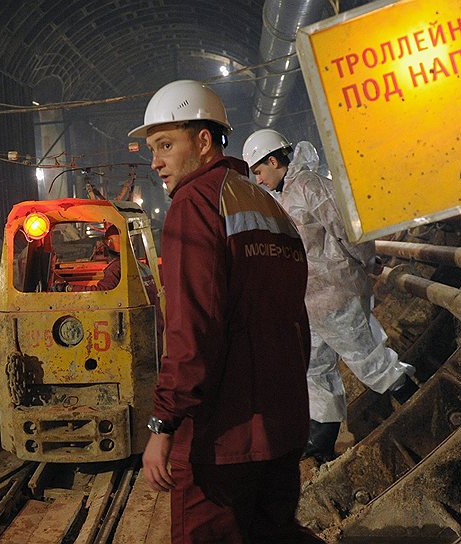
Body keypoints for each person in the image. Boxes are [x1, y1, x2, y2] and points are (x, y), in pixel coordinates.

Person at [132, 80, 321, 543]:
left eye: (165, 144)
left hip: (223, 438)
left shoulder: (194, 204)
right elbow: (296, 322)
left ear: (202, 140)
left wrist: (164, 423)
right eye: (152, 148)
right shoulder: (265, 203)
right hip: (283, 424)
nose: (154, 161)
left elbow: (192, 329)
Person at [242, 129, 419, 464]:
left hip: (337, 296)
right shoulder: (283, 197)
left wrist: (367, 261)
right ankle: (321, 444)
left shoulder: (310, 187)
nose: (259, 177)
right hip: (310, 304)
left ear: (274, 160)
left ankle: (419, 408)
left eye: (259, 169)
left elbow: (347, 230)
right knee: (314, 370)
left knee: (368, 359)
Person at [53, 224, 123, 292]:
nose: (102, 247)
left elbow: (101, 292)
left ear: (109, 242)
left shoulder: (116, 267)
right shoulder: (121, 264)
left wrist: (69, 288)